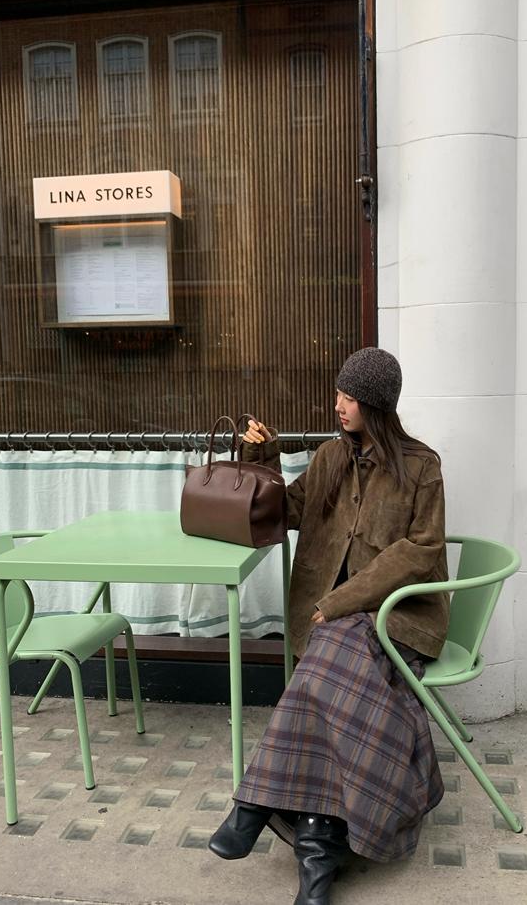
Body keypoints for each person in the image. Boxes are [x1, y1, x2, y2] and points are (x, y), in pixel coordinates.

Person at [209, 347, 450, 905]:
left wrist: (343, 600)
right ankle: (317, 849)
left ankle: (253, 804)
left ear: (375, 404)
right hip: (331, 626)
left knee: (324, 659)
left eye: (349, 397)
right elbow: (286, 511)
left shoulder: (421, 466)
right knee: (327, 667)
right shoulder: (328, 458)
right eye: (339, 393)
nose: (338, 404)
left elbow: (423, 549)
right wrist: (262, 457)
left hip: (397, 617)